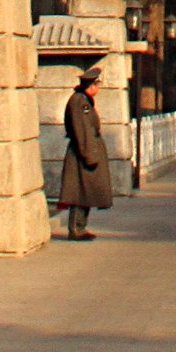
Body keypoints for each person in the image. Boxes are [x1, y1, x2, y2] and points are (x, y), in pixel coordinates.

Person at [58, 67, 116, 239]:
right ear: (91, 86)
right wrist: (90, 154)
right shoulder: (80, 102)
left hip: (88, 151)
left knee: (87, 192)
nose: (98, 88)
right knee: (79, 192)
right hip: (82, 153)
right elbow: (82, 130)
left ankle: (81, 227)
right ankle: (75, 228)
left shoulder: (84, 101)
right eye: (97, 84)